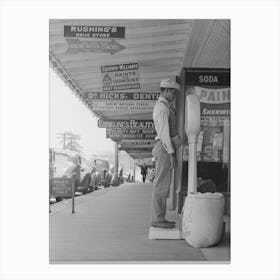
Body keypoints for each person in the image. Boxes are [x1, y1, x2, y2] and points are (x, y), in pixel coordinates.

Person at [151, 78, 185, 229]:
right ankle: (158, 219)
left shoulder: (165, 107)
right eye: (173, 92)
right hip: (165, 149)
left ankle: (160, 217)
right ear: (165, 90)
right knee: (162, 185)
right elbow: (164, 133)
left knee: (163, 184)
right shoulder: (162, 108)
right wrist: (171, 153)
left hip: (165, 148)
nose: (174, 95)